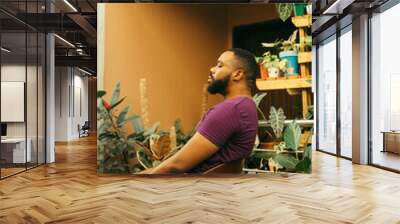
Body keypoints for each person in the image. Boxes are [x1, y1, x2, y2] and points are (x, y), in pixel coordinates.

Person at [142, 48, 259, 174]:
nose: (212, 69)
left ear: (237, 74)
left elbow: (176, 166)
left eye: (220, 65)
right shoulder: (247, 106)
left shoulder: (231, 109)